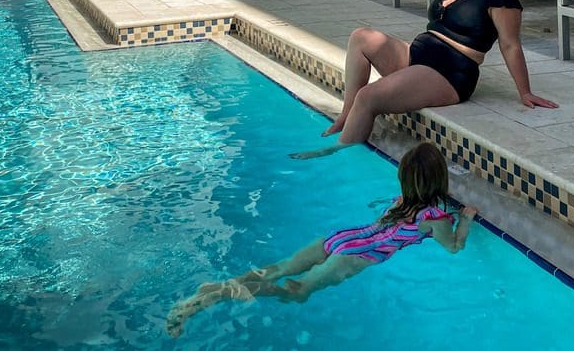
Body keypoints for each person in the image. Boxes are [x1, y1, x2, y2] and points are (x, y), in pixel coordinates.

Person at [296, 0, 558, 159]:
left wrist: (525, 91)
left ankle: (339, 157)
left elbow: (510, 45)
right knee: (360, 37)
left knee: (369, 97)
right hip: (418, 55)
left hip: (450, 72)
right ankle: (346, 115)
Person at [165, 142, 476, 337]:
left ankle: (215, 288)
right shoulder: (434, 218)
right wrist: (465, 219)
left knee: (278, 268)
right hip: (356, 256)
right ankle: (221, 294)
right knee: (297, 291)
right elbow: (454, 247)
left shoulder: (398, 201)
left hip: (343, 238)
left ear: (404, 178)